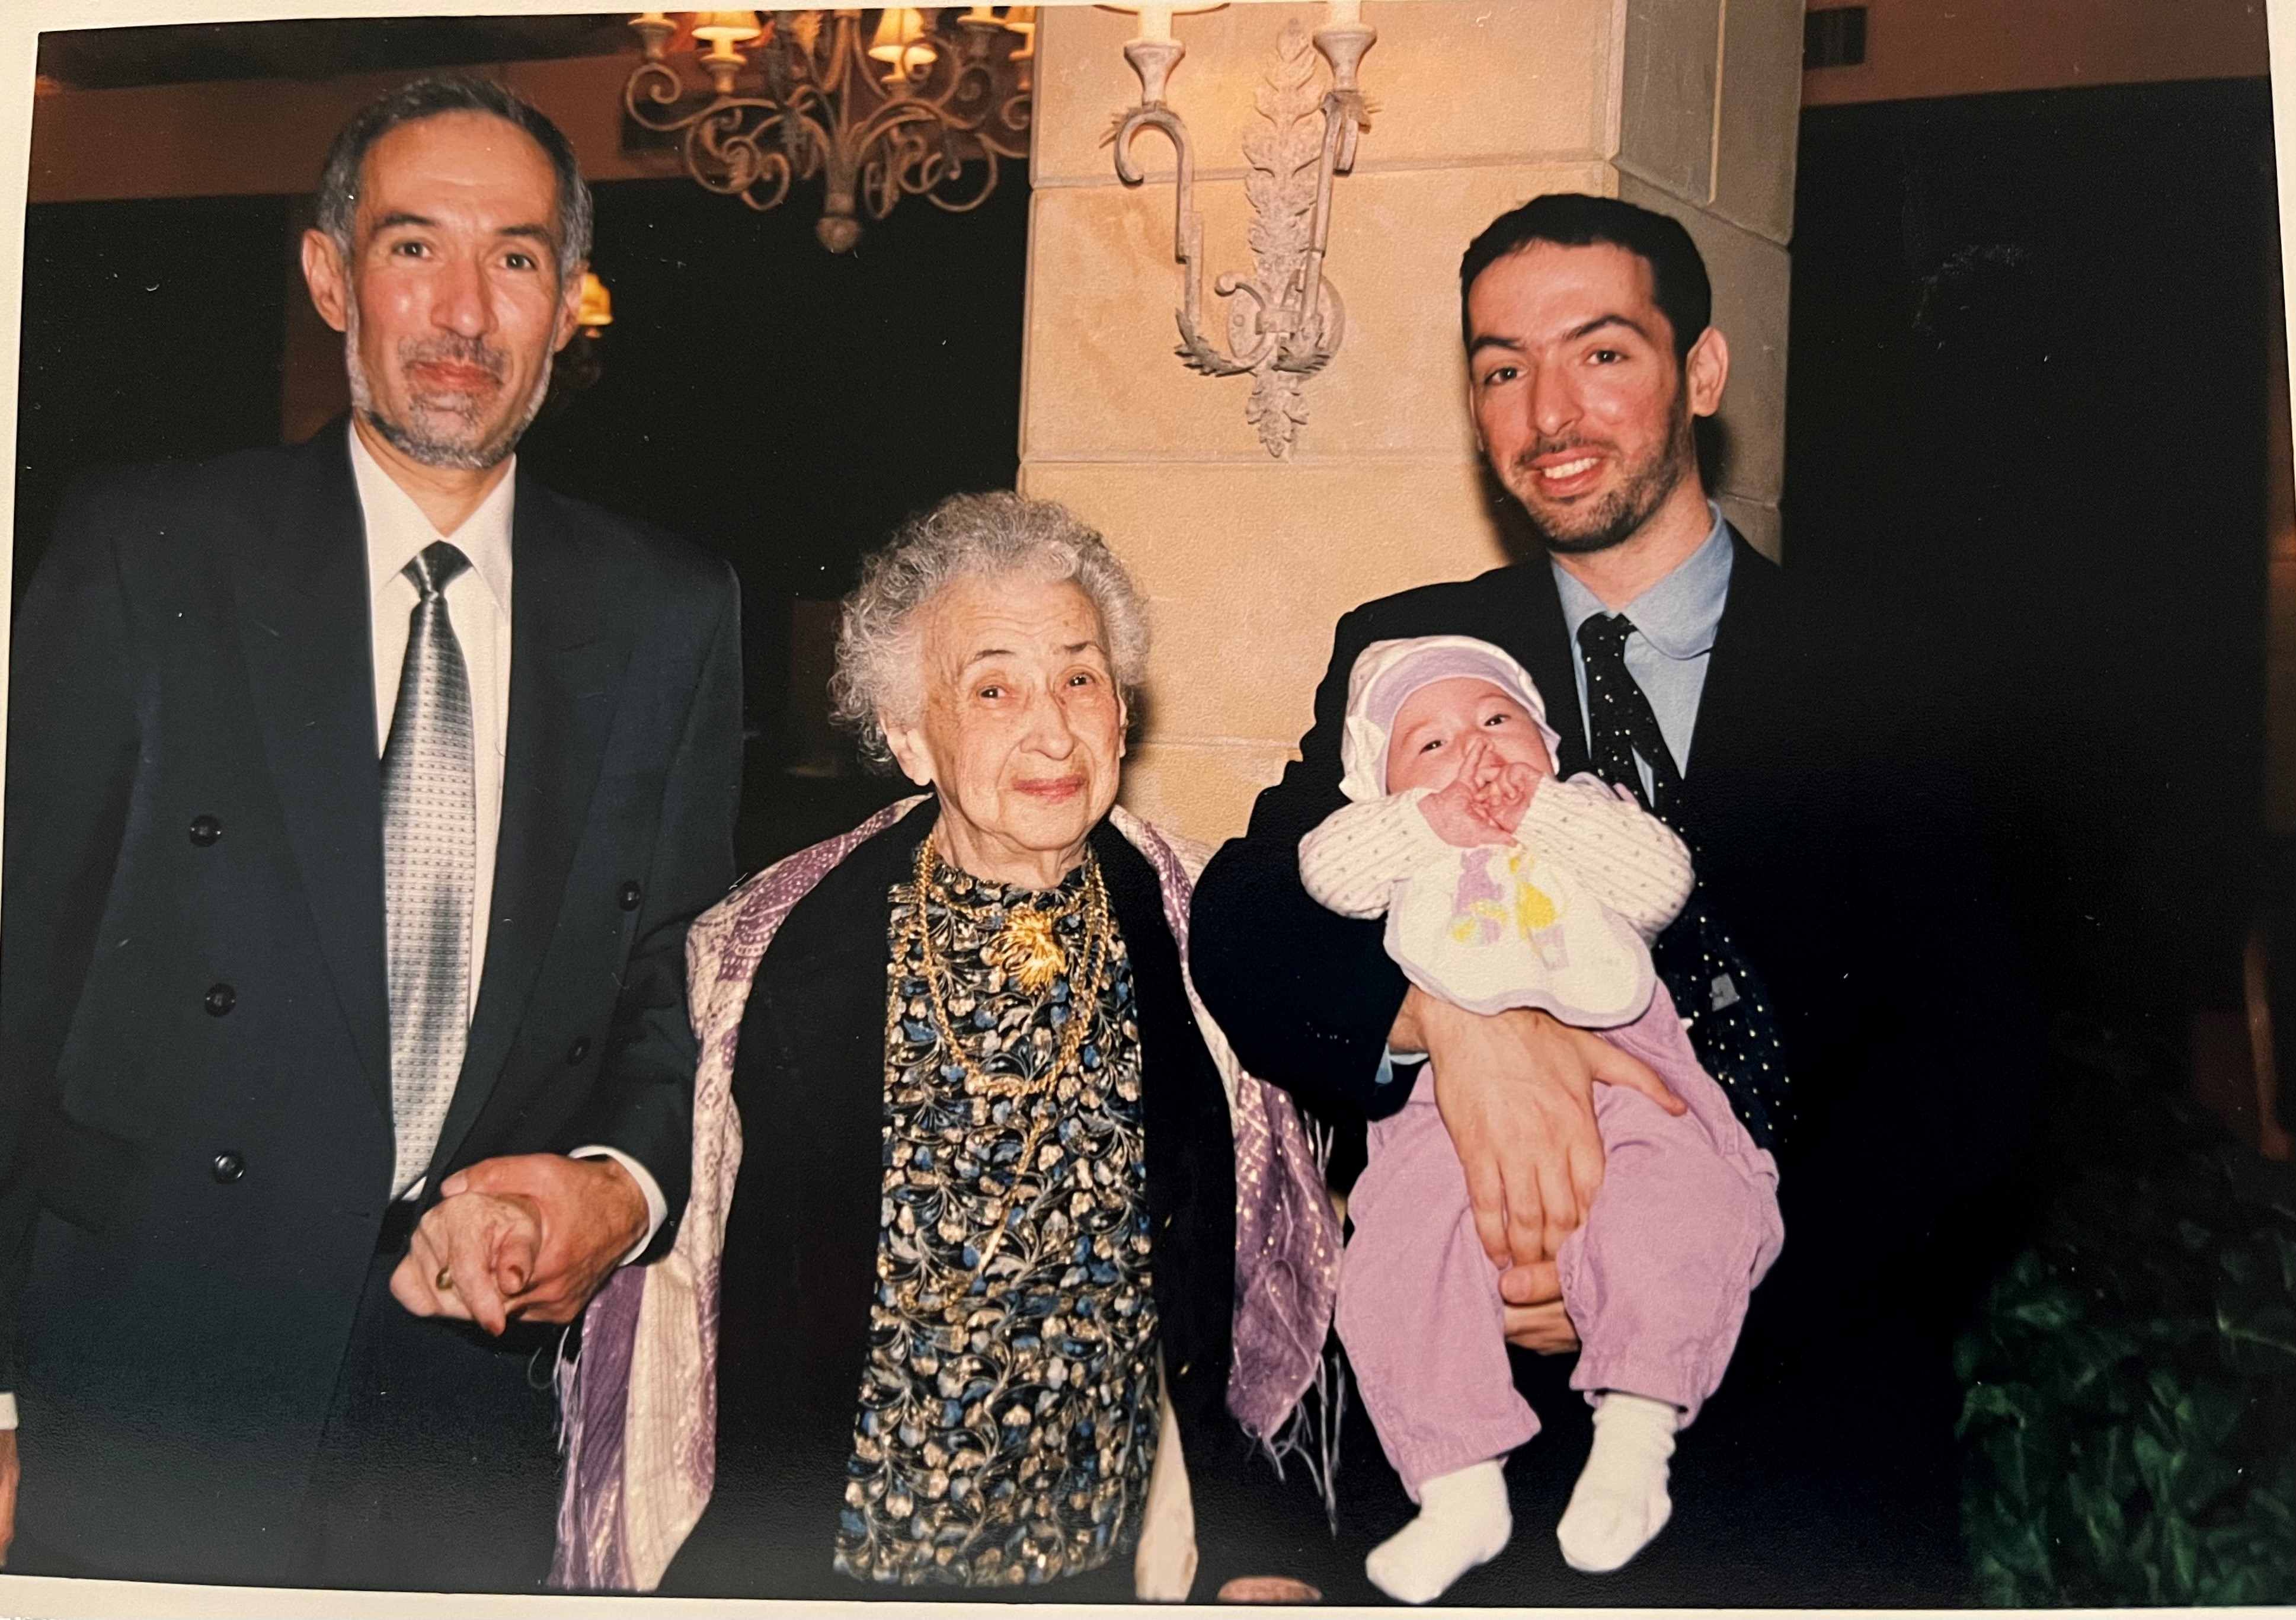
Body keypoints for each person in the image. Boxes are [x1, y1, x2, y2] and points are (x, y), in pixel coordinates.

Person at [1191, 193, 2038, 1603]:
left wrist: (1668, 1279)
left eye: (1599, 353)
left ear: (1698, 372)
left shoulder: (1894, 672)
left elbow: (1978, 1075)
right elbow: (1247, 913)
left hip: (1802, 1458)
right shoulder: (1416, 661)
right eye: (1500, 367)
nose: (1546, 413)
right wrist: (1444, 1021)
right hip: (1492, 1476)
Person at [0, 77, 742, 1590]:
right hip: (146, 1377)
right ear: (331, 275)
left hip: (466, 1395)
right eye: (415, 248)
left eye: (516, 257)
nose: (464, 311)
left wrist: (620, 1183)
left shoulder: (669, 609)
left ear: (567, 302)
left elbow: (676, 974)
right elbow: (18, 971)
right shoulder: (148, 553)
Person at [551, 493, 1342, 1603]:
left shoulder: (1201, 925)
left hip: (1114, 1570)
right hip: (827, 1572)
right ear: (910, 738)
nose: (1052, 731)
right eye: (993, 689)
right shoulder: (765, 955)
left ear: (1122, 712)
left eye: (1079, 678)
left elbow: (1237, 1296)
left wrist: (1259, 1544)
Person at [1300, 633, 1781, 1600]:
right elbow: (1329, 870)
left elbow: (1660, 883)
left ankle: (1637, 1432)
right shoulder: (1398, 846)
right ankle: (1456, 1484)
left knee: (1683, 1202)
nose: (1473, 748)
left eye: (1496, 718)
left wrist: (1543, 809)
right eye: (1428, 743)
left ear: (1547, 740)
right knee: (1394, 1258)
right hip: (1442, 1105)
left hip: (1626, 1058)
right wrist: (1429, 818)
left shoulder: (1586, 811)